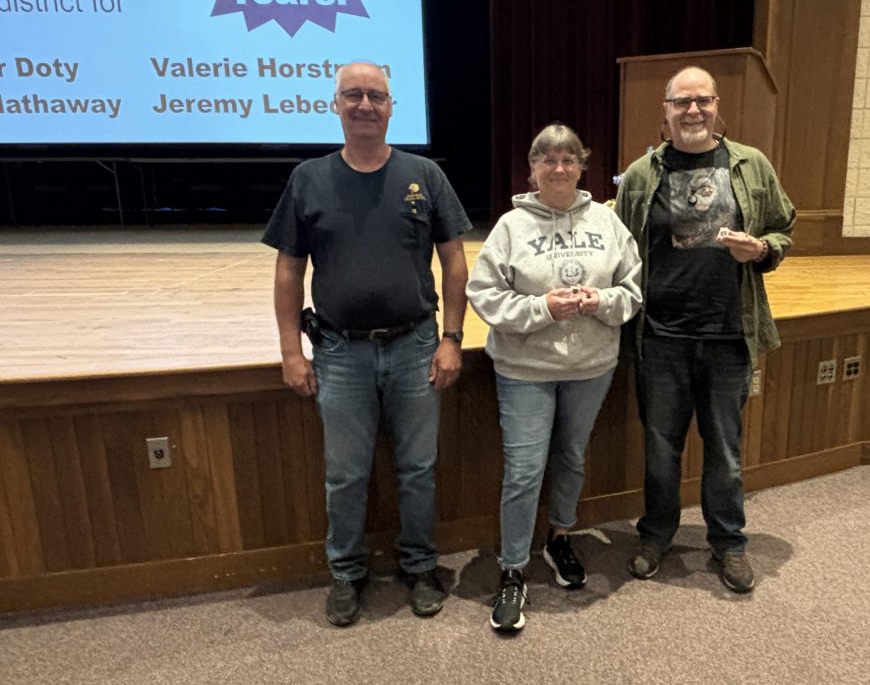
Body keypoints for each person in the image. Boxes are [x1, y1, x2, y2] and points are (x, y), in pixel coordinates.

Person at [262, 61, 472, 626]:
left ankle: (421, 567)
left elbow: (455, 261)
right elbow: (288, 270)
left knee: (418, 468)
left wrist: (452, 338)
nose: (363, 104)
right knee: (346, 474)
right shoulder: (309, 178)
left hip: (414, 348)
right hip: (339, 352)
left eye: (375, 95)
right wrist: (290, 351)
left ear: (390, 105)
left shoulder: (423, 174)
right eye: (352, 94)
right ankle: (347, 574)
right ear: (335, 104)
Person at [614, 66, 796, 593]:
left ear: (718, 107)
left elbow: (783, 225)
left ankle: (729, 544)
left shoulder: (751, 164)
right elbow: (620, 243)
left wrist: (762, 250)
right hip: (662, 336)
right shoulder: (642, 174)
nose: (693, 111)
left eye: (703, 101)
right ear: (665, 110)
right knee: (660, 446)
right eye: (682, 102)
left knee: (725, 450)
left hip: (727, 334)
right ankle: (655, 536)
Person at [467, 123, 642, 632]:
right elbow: (486, 295)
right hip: (526, 370)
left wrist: (602, 301)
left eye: (568, 159)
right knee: (524, 470)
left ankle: (560, 538)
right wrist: (542, 308)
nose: (559, 168)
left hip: (591, 367)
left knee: (571, 456)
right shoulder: (509, 227)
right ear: (532, 169)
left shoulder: (609, 225)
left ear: (581, 166)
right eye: (548, 159)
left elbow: (632, 290)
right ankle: (514, 568)